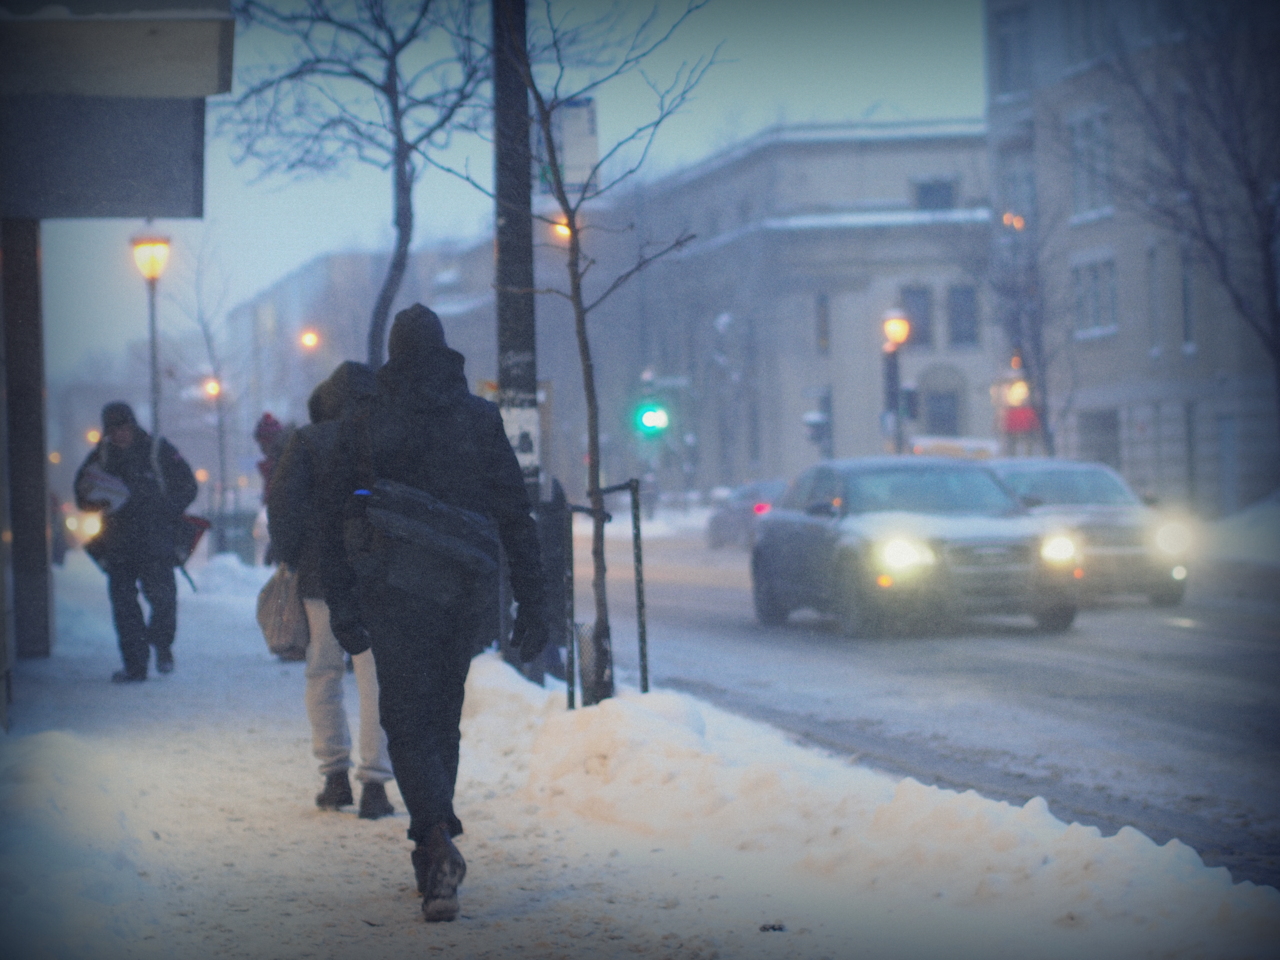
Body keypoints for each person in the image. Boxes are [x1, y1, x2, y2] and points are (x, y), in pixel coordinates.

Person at [319, 304, 548, 923]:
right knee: (443, 714)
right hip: (464, 592)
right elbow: (514, 514)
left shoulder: (365, 421)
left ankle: (434, 841)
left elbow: (333, 517)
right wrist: (534, 594)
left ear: (392, 355)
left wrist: (342, 602)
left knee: (404, 716)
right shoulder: (479, 418)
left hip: (392, 591)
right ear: (445, 351)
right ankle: (435, 839)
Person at [268, 362, 396, 820]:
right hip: (377, 575)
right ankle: (377, 784)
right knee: (375, 677)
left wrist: (291, 555)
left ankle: (335, 775)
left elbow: (283, 505)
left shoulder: (308, 440)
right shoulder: (387, 435)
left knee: (323, 671)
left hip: (322, 576)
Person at [74, 402, 198, 682]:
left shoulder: (158, 450)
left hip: (156, 541)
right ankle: (135, 666)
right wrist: (99, 500)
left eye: (122, 427)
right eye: (112, 430)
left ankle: (162, 644)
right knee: (124, 606)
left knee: (164, 600)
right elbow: (81, 494)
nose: (118, 434)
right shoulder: (102, 457)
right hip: (118, 544)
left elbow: (188, 485)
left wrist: (164, 509)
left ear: (132, 425)